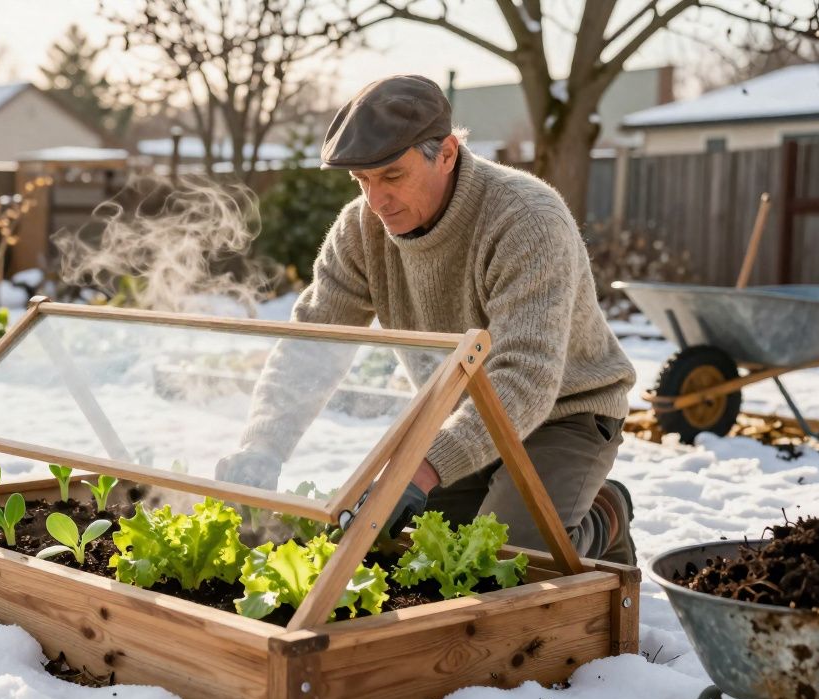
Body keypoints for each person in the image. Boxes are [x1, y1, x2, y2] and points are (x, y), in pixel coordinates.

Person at [216, 75, 638, 564]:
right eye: (362, 181)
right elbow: (312, 345)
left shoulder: (527, 219)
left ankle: (603, 513)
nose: (376, 201)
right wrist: (261, 445)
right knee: (399, 550)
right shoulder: (360, 230)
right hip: (460, 416)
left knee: (502, 561)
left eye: (392, 176)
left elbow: (526, 376)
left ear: (447, 154)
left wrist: (421, 470)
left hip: (565, 413)